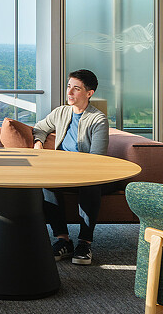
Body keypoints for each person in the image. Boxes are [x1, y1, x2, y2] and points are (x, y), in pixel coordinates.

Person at [31, 69, 109, 266]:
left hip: (88, 174)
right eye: (68, 87)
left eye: (76, 89)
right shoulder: (61, 112)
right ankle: (62, 240)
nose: (69, 93)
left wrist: (74, 169)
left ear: (89, 93)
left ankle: (85, 243)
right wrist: (38, 143)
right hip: (62, 173)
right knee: (46, 184)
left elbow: (96, 159)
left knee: (91, 186)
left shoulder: (98, 119)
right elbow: (39, 127)